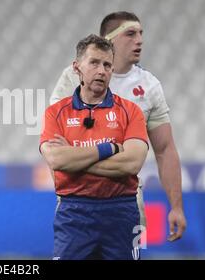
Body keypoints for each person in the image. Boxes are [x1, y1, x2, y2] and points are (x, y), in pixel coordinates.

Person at [50, 12, 186, 241]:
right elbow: (56, 150)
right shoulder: (73, 77)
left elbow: (164, 150)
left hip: (128, 202)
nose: (140, 40)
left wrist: (176, 207)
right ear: (109, 40)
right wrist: (114, 157)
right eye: (131, 34)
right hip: (77, 203)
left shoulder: (149, 86)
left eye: (141, 34)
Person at [40, 34, 149, 260]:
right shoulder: (55, 113)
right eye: (94, 63)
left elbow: (132, 163)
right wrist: (109, 148)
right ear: (77, 67)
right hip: (73, 213)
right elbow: (56, 160)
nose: (102, 70)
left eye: (107, 65)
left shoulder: (131, 111)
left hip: (122, 211)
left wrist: (74, 160)